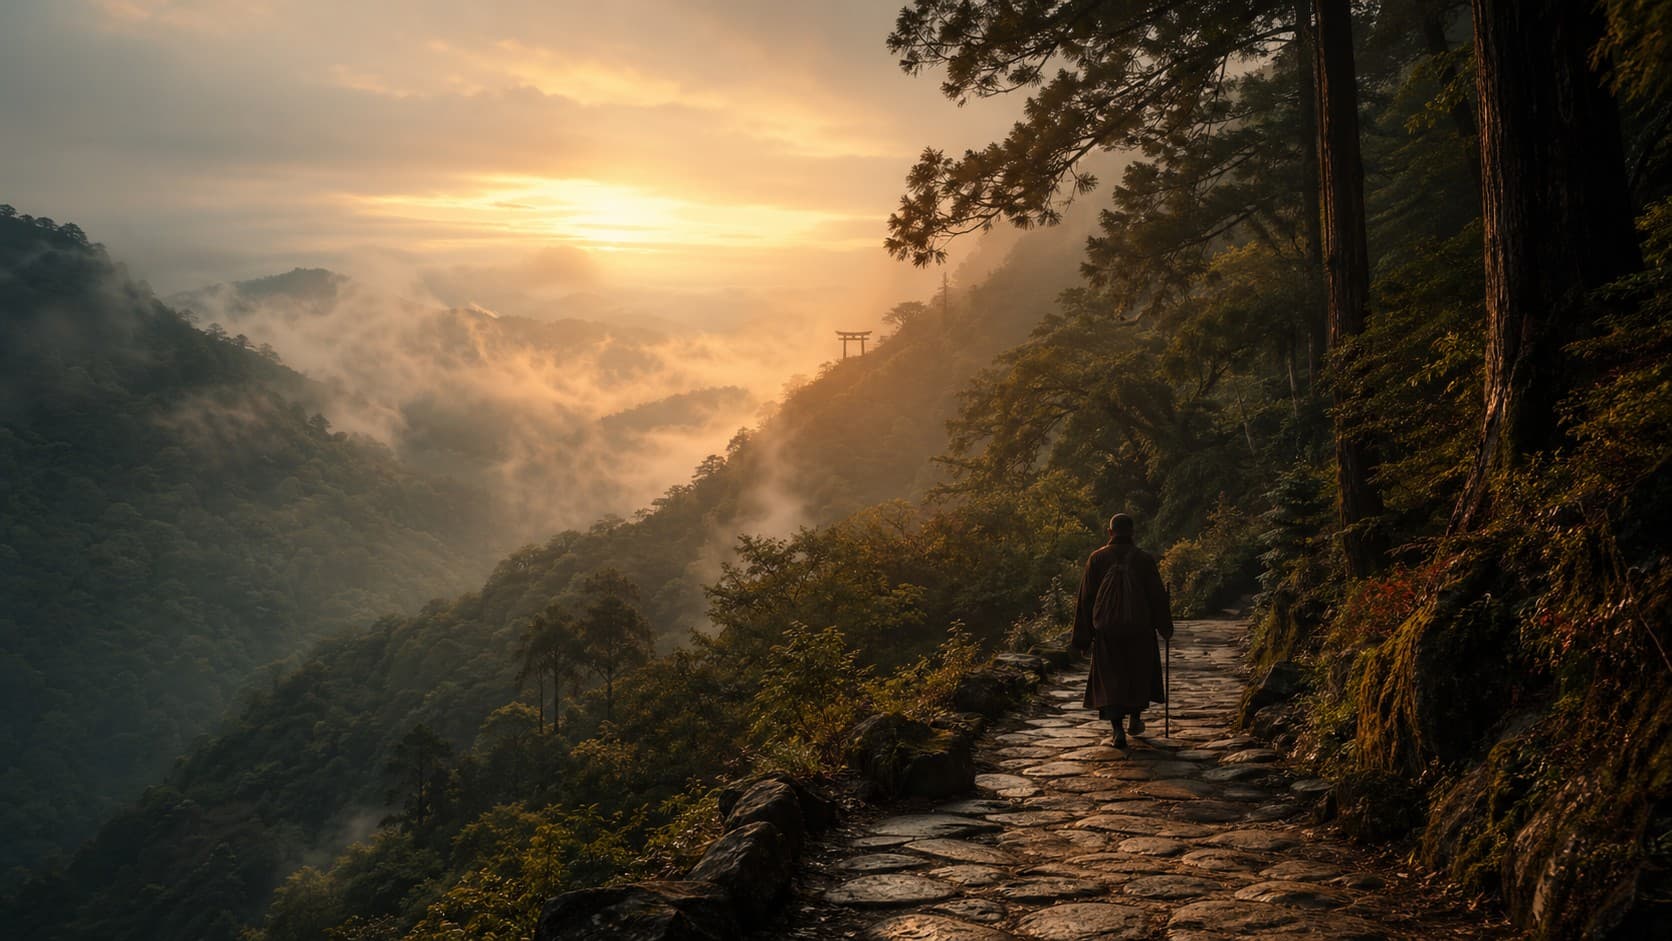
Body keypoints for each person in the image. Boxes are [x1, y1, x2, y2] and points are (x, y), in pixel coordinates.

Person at [1070, 513, 1174, 748]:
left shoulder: (1096, 559)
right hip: (1140, 630)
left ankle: (1117, 729)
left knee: (1111, 678)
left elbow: (1086, 599)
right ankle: (1135, 718)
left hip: (1107, 633)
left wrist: (1082, 640)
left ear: (1110, 533)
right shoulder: (1144, 560)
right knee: (1137, 674)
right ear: (1132, 532)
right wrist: (1165, 626)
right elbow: (1156, 597)